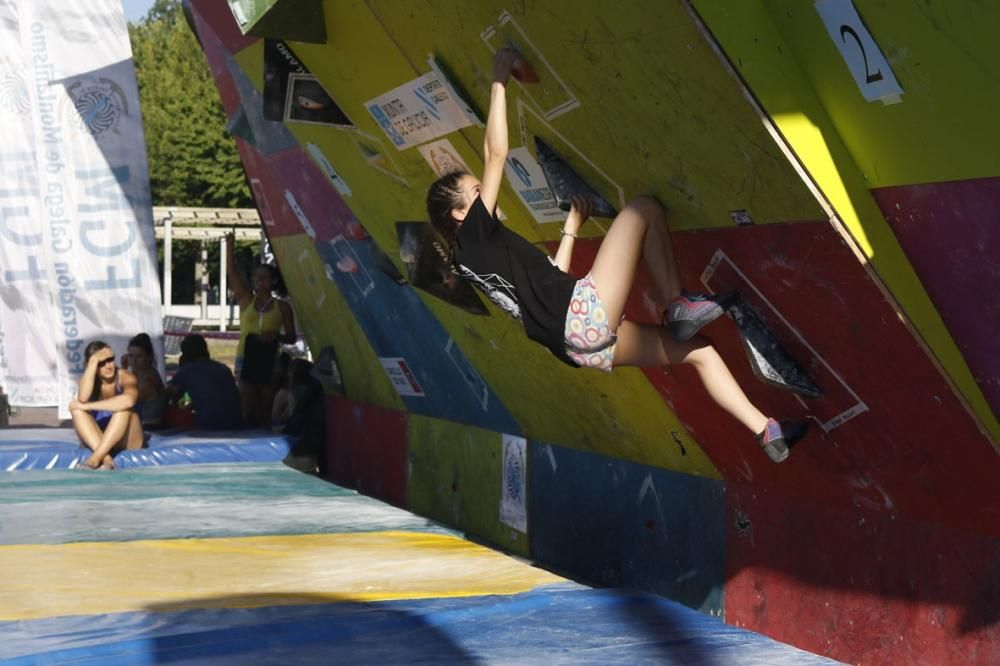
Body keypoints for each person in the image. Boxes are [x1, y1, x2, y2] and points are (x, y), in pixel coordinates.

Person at [425, 48, 806, 463]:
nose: (487, 193)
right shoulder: (475, 237)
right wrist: (499, 79)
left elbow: (551, 279)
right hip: (580, 317)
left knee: (699, 352)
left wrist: (571, 228)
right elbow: (496, 154)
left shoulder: (473, 260)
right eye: (477, 192)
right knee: (644, 209)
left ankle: (766, 431)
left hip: (575, 346)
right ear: (460, 213)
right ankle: (677, 302)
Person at [225, 233, 297, 428]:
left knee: (265, 405)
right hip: (246, 356)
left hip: (270, 357)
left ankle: (265, 445)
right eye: (256, 277)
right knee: (246, 406)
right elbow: (232, 274)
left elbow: (291, 337)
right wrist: (230, 246)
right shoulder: (246, 300)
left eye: (264, 277)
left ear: (273, 281)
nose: (259, 281)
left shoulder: (282, 307)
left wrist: (278, 336)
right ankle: (247, 445)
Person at [69, 340, 145, 469]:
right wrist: (93, 362)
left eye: (110, 360)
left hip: (128, 440)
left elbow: (128, 401)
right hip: (99, 440)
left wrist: (88, 406)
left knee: (124, 410)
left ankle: (94, 460)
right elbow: (82, 398)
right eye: (101, 363)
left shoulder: (125, 376)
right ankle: (107, 459)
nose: (108, 366)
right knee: (76, 410)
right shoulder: (88, 381)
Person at [165, 334, 244, 431]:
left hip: (210, 427)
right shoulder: (223, 368)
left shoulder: (188, 370)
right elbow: (213, 397)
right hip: (236, 424)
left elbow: (167, 393)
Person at [121, 333, 167, 428]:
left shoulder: (146, 383)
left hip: (151, 429)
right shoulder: (139, 373)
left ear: (148, 357)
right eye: (130, 356)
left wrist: (123, 371)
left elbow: (124, 402)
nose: (133, 361)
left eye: (139, 357)